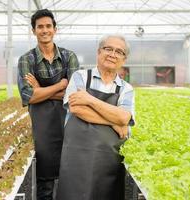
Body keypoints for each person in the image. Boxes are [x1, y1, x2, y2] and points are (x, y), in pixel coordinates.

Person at [57, 35, 135, 200]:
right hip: (76, 159)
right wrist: (113, 121)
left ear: (124, 59)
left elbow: (123, 118)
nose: (113, 54)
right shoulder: (80, 76)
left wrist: (90, 99)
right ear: (99, 52)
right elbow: (77, 108)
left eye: (119, 51)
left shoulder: (126, 89)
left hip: (108, 163)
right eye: (108, 49)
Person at [17, 9, 79, 200]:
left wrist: (41, 90)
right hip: (42, 124)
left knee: (70, 171)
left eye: (48, 26)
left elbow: (75, 94)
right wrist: (61, 85)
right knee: (45, 175)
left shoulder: (69, 57)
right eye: (40, 27)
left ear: (55, 29)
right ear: (33, 31)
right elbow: (28, 96)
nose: (44, 30)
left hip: (69, 119)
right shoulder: (26, 59)